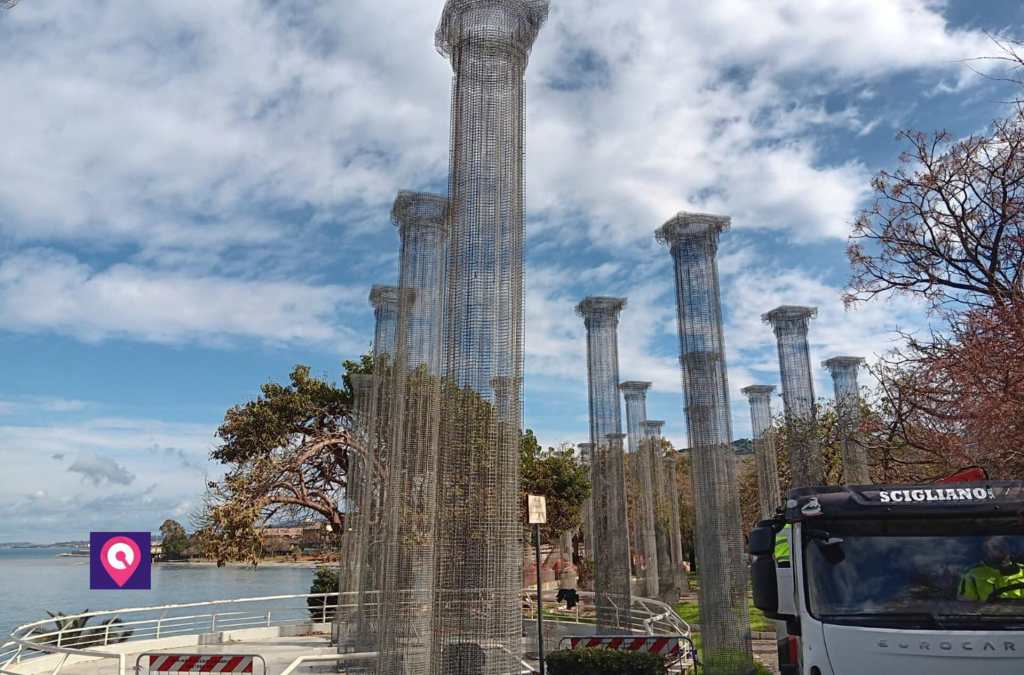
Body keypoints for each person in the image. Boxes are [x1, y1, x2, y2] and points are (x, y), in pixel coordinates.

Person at [959, 536, 1024, 602]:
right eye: (995, 547)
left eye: (1004, 546)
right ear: (985, 548)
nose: (1001, 550)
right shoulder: (972, 576)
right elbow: (966, 606)